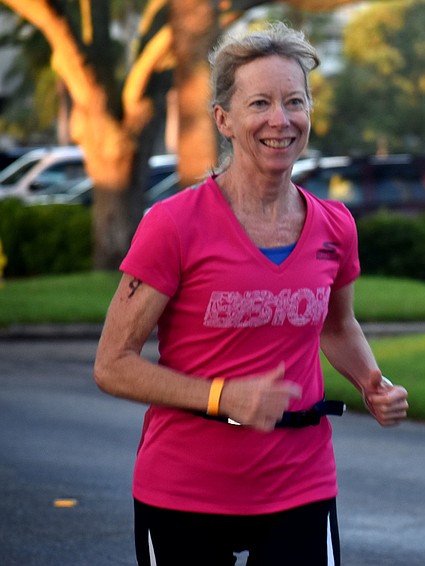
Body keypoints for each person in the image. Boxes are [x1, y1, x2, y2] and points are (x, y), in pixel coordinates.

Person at [94, 21, 408, 566]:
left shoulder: (335, 226)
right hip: (186, 491)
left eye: (294, 102)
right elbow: (112, 365)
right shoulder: (173, 225)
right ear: (224, 119)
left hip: (301, 483)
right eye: (260, 103)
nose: (279, 120)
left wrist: (372, 382)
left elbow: (337, 325)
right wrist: (224, 398)